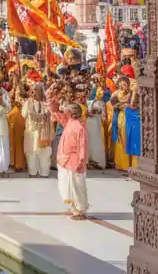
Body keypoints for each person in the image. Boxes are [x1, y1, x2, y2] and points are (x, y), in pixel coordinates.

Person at [51, 90, 90, 220]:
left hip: (75, 162)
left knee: (77, 187)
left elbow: (82, 147)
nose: (64, 113)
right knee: (68, 186)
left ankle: (80, 210)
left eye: (67, 111)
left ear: (72, 114)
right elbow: (59, 116)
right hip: (65, 161)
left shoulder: (79, 127)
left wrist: (81, 161)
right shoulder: (70, 123)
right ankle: (74, 208)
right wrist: (53, 106)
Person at [22, 84, 53, 178]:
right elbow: (23, 114)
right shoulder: (28, 102)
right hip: (31, 131)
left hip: (44, 131)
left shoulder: (46, 103)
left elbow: (51, 114)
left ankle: (44, 172)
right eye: (34, 90)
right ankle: (32, 172)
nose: (35, 92)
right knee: (31, 153)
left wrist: (45, 114)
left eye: (38, 90)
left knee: (44, 153)